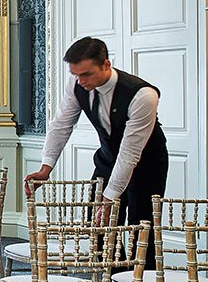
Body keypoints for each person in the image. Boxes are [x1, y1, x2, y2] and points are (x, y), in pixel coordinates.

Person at [24, 36, 169, 225]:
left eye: (86, 74)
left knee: (140, 229)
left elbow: (130, 153)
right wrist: (46, 168)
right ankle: (105, 257)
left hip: (145, 165)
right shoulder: (77, 84)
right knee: (98, 227)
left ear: (106, 65)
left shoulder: (143, 95)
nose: (80, 80)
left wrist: (109, 201)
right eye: (76, 74)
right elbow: (60, 126)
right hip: (108, 159)